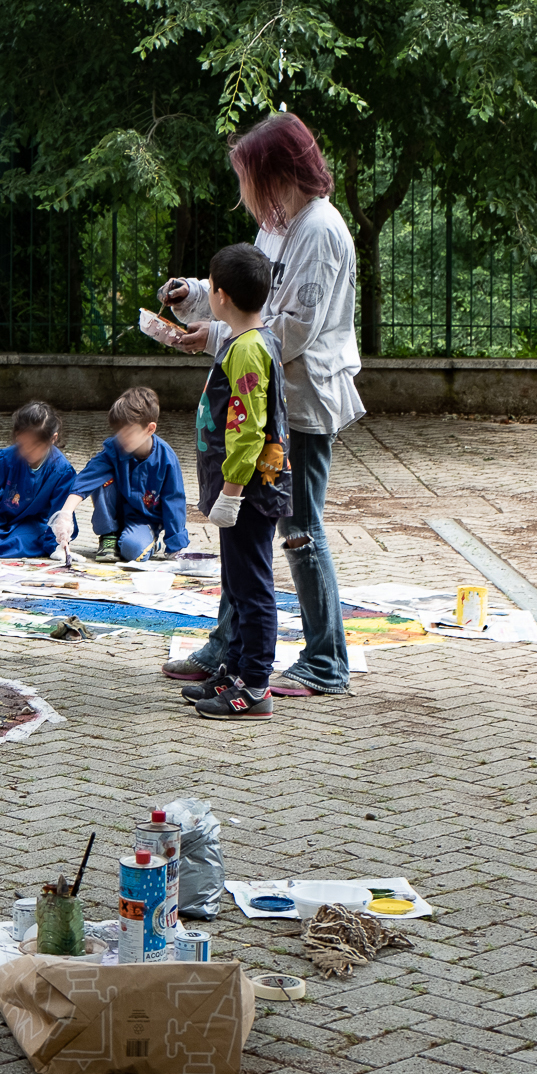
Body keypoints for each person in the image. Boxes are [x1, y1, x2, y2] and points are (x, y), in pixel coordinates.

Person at [156, 112, 363, 697]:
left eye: (249, 175)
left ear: (277, 172)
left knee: (300, 531)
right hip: (268, 401)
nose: (244, 190)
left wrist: (216, 335)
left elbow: (291, 330)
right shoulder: (279, 221)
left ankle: (326, 661)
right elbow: (249, 292)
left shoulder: (320, 231)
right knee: (244, 534)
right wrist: (196, 295)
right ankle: (230, 646)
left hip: (300, 406)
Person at [179, 244, 289, 720]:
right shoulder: (253, 340)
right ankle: (237, 671)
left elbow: (247, 427)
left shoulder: (248, 349)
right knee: (238, 584)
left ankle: (256, 686)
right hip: (245, 488)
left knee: (252, 588)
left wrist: (231, 492)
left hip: (248, 492)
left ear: (220, 296)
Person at [50, 386, 188, 562]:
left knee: (133, 551)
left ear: (150, 429)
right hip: (117, 512)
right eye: (119, 433)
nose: (122, 439)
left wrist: (176, 546)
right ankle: (108, 535)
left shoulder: (166, 459)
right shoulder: (114, 448)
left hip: (143, 521)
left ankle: (152, 542)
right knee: (101, 477)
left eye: (128, 433)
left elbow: (174, 503)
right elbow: (88, 477)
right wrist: (66, 513)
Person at [0, 401, 79, 557]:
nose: (27, 451)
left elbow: (60, 511)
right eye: (22, 444)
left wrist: (56, 544)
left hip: (35, 524)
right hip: (2, 517)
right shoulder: (5, 458)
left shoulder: (62, 471)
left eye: (35, 446)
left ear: (52, 439)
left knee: (17, 542)